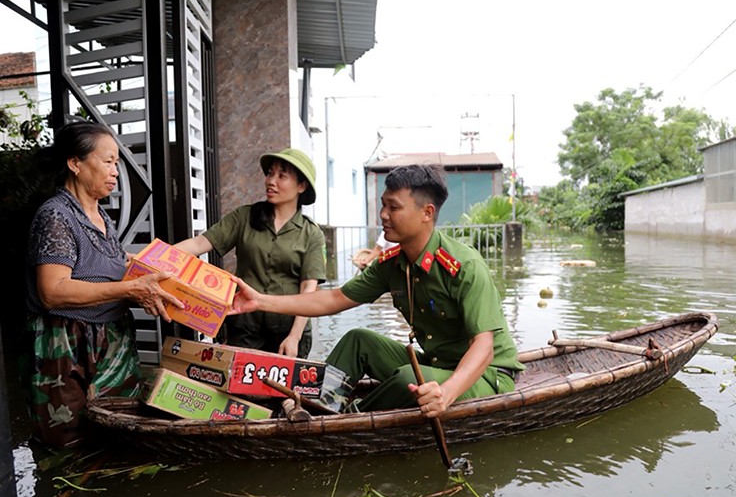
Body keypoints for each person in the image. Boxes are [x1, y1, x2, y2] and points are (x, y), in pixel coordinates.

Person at [229, 163, 523, 417]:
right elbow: (333, 298)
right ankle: (318, 405)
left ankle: (348, 420)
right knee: (359, 340)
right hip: (437, 365)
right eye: (383, 204)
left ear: (426, 213)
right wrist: (261, 301)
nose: (383, 214)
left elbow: (483, 347)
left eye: (394, 207)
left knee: (408, 378)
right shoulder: (392, 264)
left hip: (484, 375)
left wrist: (445, 394)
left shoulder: (463, 266)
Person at [25, 121, 184, 448]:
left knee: (118, 435)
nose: (115, 172)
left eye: (117, 163)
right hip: (67, 344)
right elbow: (52, 291)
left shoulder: (102, 218)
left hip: (111, 341)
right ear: (75, 163)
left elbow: (106, 266)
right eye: (107, 161)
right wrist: (130, 290)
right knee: (66, 440)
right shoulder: (56, 216)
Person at [174, 148, 325, 359]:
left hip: (287, 330)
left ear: (301, 186)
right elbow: (199, 244)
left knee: (283, 392)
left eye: (282, 176)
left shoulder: (311, 233)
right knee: (238, 390)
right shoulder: (244, 217)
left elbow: (308, 288)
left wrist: (294, 337)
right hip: (244, 327)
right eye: (270, 173)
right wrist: (153, 256)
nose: (271, 181)